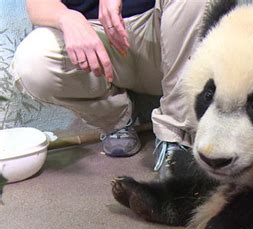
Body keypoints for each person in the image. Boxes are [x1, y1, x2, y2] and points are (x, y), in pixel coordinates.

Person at [10, 0, 207, 179]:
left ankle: (177, 137)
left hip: (164, 36)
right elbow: (37, 5)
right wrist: (68, 18)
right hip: (97, 45)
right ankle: (116, 120)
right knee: (31, 61)